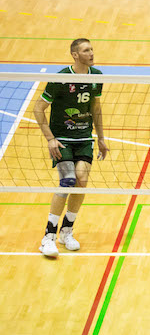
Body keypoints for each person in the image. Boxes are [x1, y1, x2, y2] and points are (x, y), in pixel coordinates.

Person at [32, 38, 109, 258]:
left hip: (84, 138)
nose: (91, 53)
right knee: (67, 181)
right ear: (75, 55)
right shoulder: (61, 78)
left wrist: (101, 138)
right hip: (62, 139)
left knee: (81, 181)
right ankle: (48, 237)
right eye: (86, 50)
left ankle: (66, 231)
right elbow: (38, 109)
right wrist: (50, 139)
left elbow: (95, 107)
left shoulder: (96, 76)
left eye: (92, 49)